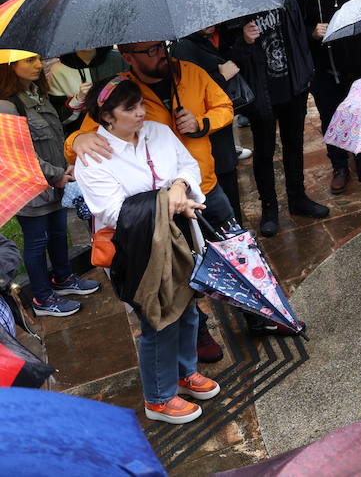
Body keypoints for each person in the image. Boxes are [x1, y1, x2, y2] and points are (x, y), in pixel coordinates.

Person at [66, 42, 241, 352]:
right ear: (129, 57)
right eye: (149, 51)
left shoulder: (191, 73)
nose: (160, 54)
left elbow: (224, 106)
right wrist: (78, 138)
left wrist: (202, 124)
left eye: (160, 47)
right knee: (179, 271)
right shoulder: (124, 92)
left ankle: (256, 312)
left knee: (234, 254)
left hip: (205, 187)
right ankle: (197, 334)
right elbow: (88, 137)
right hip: (160, 213)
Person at [75, 76, 218, 425]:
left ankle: (185, 372)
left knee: (187, 307)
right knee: (157, 317)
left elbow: (187, 165)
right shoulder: (94, 157)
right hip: (135, 248)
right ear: (107, 116)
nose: (141, 112)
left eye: (140, 103)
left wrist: (182, 185)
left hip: (179, 236)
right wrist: (168, 199)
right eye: (130, 108)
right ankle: (159, 397)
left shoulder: (160, 132)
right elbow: (112, 210)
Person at [0, 53, 99, 317]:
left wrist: (62, 167)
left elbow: (53, 133)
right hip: (33, 189)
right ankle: (42, 299)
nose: (38, 65)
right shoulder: (7, 106)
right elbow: (19, 155)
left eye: (38, 59)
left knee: (57, 232)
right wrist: (54, 174)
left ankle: (64, 278)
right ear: (9, 66)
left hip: (55, 182)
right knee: (36, 241)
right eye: (29, 61)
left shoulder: (34, 94)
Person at [228, 0, 329, 235]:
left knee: (293, 144)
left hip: (293, 85)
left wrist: (305, 72)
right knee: (264, 151)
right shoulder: (237, 1)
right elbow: (228, 54)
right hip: (261, 91)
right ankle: (269, 208)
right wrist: (244, 40)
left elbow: (300, 33)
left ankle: (297, 197)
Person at [303, 0, 361, 194]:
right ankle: (340, 166)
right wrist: (312, 31)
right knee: (331, 121)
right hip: (326, 71)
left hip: (360, 69)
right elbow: (299, 27)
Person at [172, 27, 248, 219]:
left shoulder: (210, 38)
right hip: (206, 146)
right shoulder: (183, 48)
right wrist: (222, 76)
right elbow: (191, 88)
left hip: (218, 134)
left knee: (230, 202)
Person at [45, 47, 125, 130]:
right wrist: (78, 99)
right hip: (83, 134)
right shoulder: (58, 70)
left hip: (123, 128)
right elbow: (59, 118)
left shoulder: (118, 60)